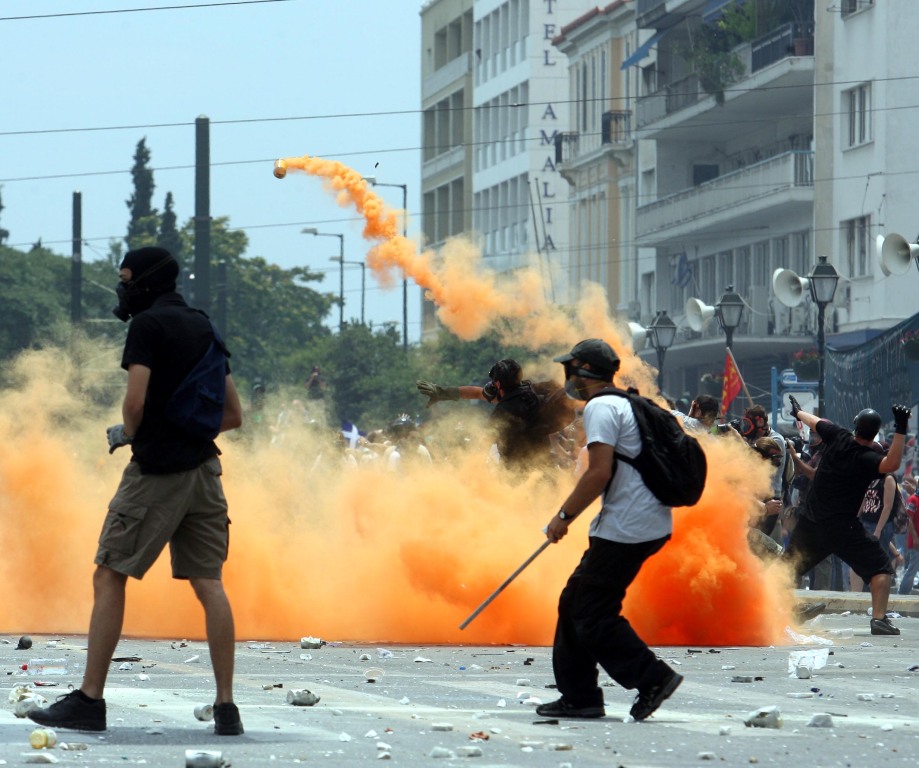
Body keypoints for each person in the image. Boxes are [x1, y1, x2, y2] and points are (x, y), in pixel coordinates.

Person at [29, 246, 245, 734]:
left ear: (147, 282)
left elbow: (134, 404)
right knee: (209, 584)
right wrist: (186, 431)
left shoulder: (147, 326)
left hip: (157, 474)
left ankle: (89, 700)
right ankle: (227, 708)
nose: (123, 288)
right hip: (206, 472)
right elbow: (233, 415)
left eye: (127, 279)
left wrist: (131, 433)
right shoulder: (203, 325)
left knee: (109, 575)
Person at [535, 338, 682, 722]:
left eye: (571, 368)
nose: (567, 376)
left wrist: (563, 517)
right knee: (575, 602)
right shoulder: (625, 403)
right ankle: (580, 696)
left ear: (584, 371)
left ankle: (653, 678)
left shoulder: (600, 407)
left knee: (591, 611)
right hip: (641, 522)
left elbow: (598, 473)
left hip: (627, 526)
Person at [784, 400, 910, 635]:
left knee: (786, 571)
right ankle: (879, 620)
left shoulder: (838, 436)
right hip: (845, 530)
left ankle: (781, 610)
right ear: (874, 435)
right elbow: (892, 463)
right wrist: (901, 427)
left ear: (855, 427)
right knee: (881, 569)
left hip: (812, 524)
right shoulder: (867, 458)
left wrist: (798, 412)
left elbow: (815, 422)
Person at [417, 359, 573, 468]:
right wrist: (443, 393)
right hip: (545, 466)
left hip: (517, 475)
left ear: (498, 384)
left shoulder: (502, 413)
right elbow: (478, 393)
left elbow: (484, 444)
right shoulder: (533, 392)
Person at [899, 478, 919, 595]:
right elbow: (909, 519)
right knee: (912, 569)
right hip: (916, 541)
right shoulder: (913, 499)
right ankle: (902, 593)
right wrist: (915, 537)